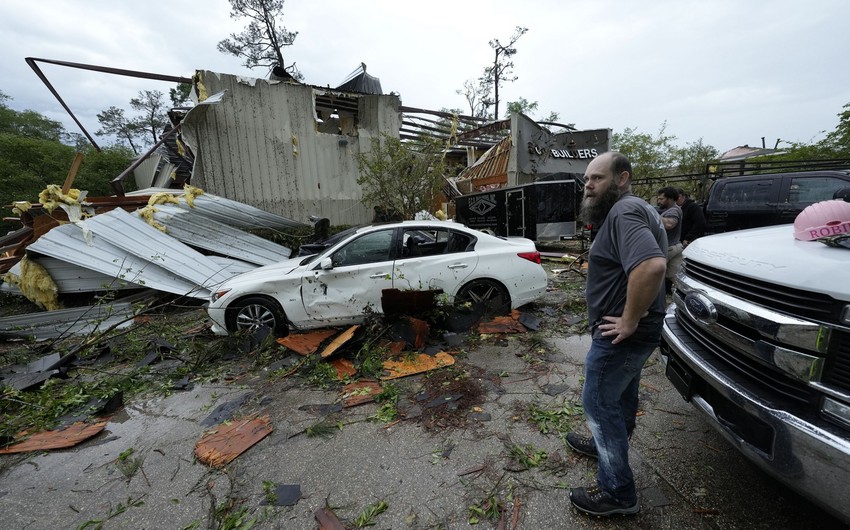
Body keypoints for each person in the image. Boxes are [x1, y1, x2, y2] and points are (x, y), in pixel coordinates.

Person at [566, 152, 667, 517]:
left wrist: (628, 320)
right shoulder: (637, 209)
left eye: (597, 178)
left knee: (597, 403)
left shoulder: (625, 211)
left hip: (622, 334)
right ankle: (604, 446)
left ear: (622, 178)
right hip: (637, 330)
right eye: (586, 179)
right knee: (621, 398)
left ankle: (617, 492)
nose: (588, 185)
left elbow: (652, 265)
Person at [656, 187, 682, 294]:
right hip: (675, 246)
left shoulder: (674, 210)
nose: (659, 201)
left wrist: (652, 214)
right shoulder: (672, 209)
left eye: (661, 199)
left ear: (670, 198)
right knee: (673, 277)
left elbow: (670, 224)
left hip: (668, 248)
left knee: (655, 274)